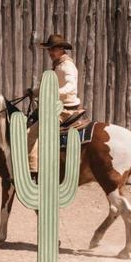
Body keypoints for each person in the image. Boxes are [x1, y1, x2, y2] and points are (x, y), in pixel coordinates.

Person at [27, 33, 83, 173]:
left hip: (64, 110)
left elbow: (71, 87)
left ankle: (33, 169)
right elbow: (49, 86)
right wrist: (34, 92)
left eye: (52, 49)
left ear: (61, 49)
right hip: (58, 107)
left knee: (30, 134)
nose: (50, 53)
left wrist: (52, 93)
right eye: (49, 50)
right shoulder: (58, 65)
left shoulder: (67, 66)